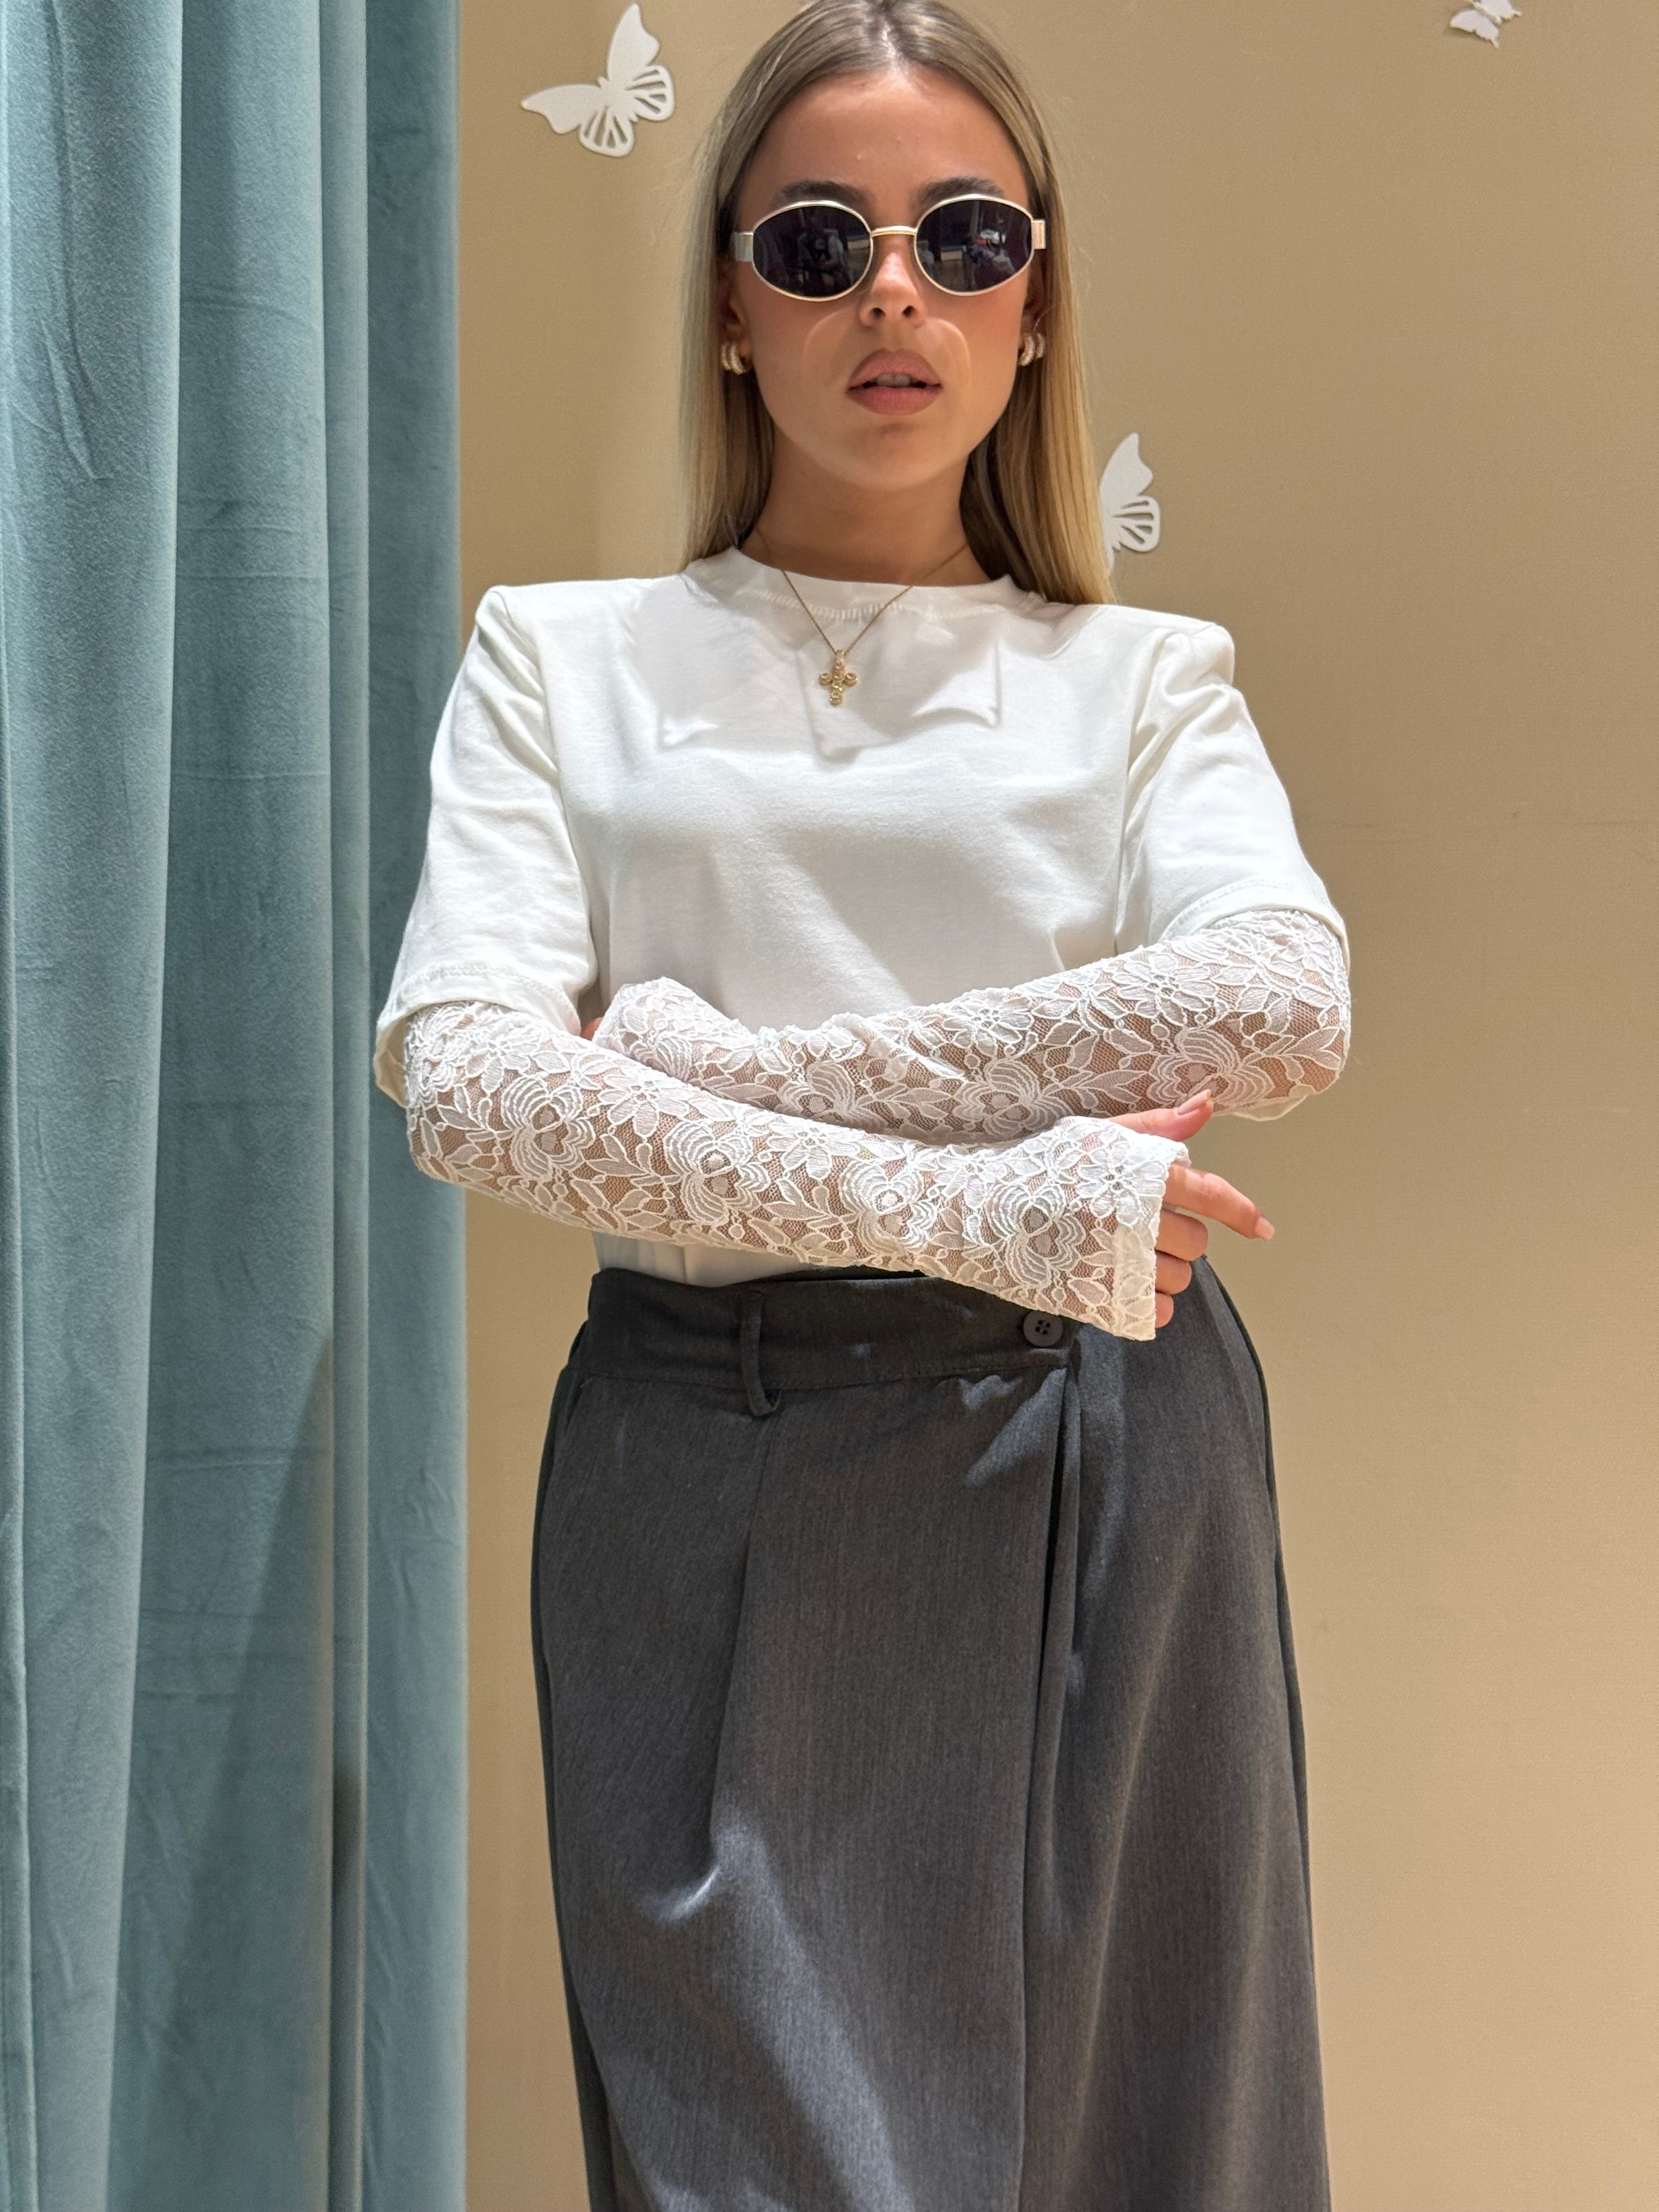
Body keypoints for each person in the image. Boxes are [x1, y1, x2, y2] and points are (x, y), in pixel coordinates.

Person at [373, 3, 1352, 2205]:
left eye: (962, 236)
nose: (893, 290)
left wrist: (727, 1077)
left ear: (1036, 297)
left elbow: (1282, 1002)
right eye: (818, 241)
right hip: (704, 1454)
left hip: (1101, 1452)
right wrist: (986, 1203)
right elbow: (476, 1088)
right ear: (731, 303)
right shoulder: (563, 657)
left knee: (1134, 2141)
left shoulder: (1144, 684)